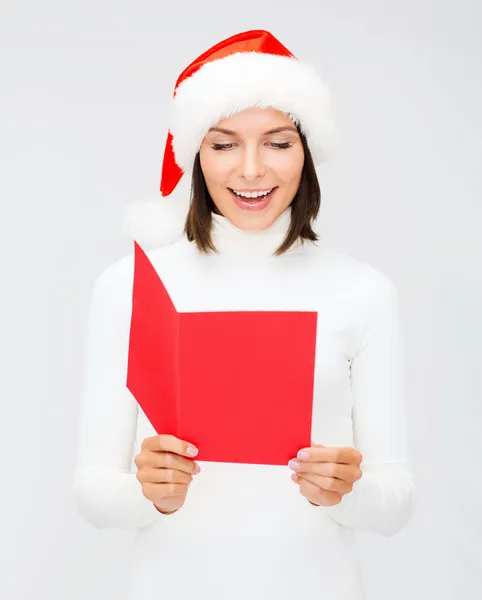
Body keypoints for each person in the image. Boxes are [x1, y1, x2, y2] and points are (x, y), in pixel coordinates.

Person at [73, 29, 415, 600]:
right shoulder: (133, 285)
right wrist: (147, 491)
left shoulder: (362, 290)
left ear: (306, 152)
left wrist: (345, 490)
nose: (252, 170)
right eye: (224, 144)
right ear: (194, 155)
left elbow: (397, 501)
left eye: (278, 143)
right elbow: (91, 492)